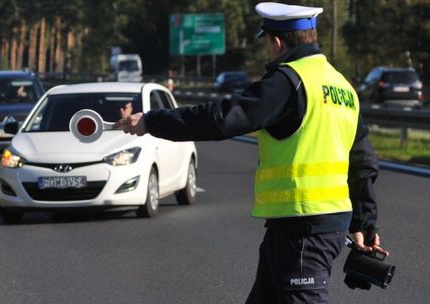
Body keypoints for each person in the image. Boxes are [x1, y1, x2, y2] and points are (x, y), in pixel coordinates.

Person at [115, 2, 389, 303]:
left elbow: (221, 119)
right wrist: (364, 223)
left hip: (303, 227)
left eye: (267, 43)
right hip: (312, 224)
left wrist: (151, 121)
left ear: (277, 41)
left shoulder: (289, 82)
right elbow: (363, 161)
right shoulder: (341, 87)